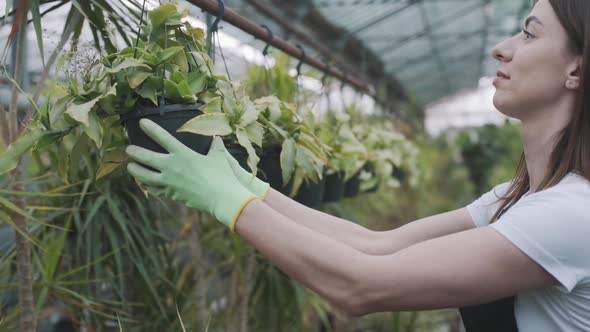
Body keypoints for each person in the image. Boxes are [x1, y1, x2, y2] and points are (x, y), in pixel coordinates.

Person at [124, 0, 590, 330]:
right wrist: (247, 184)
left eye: (529, 33)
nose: (502, 48)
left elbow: (361, 285)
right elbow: (376, 246)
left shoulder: (570, 213)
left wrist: (229, 200)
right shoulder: (523, 199)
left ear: (576, 71)